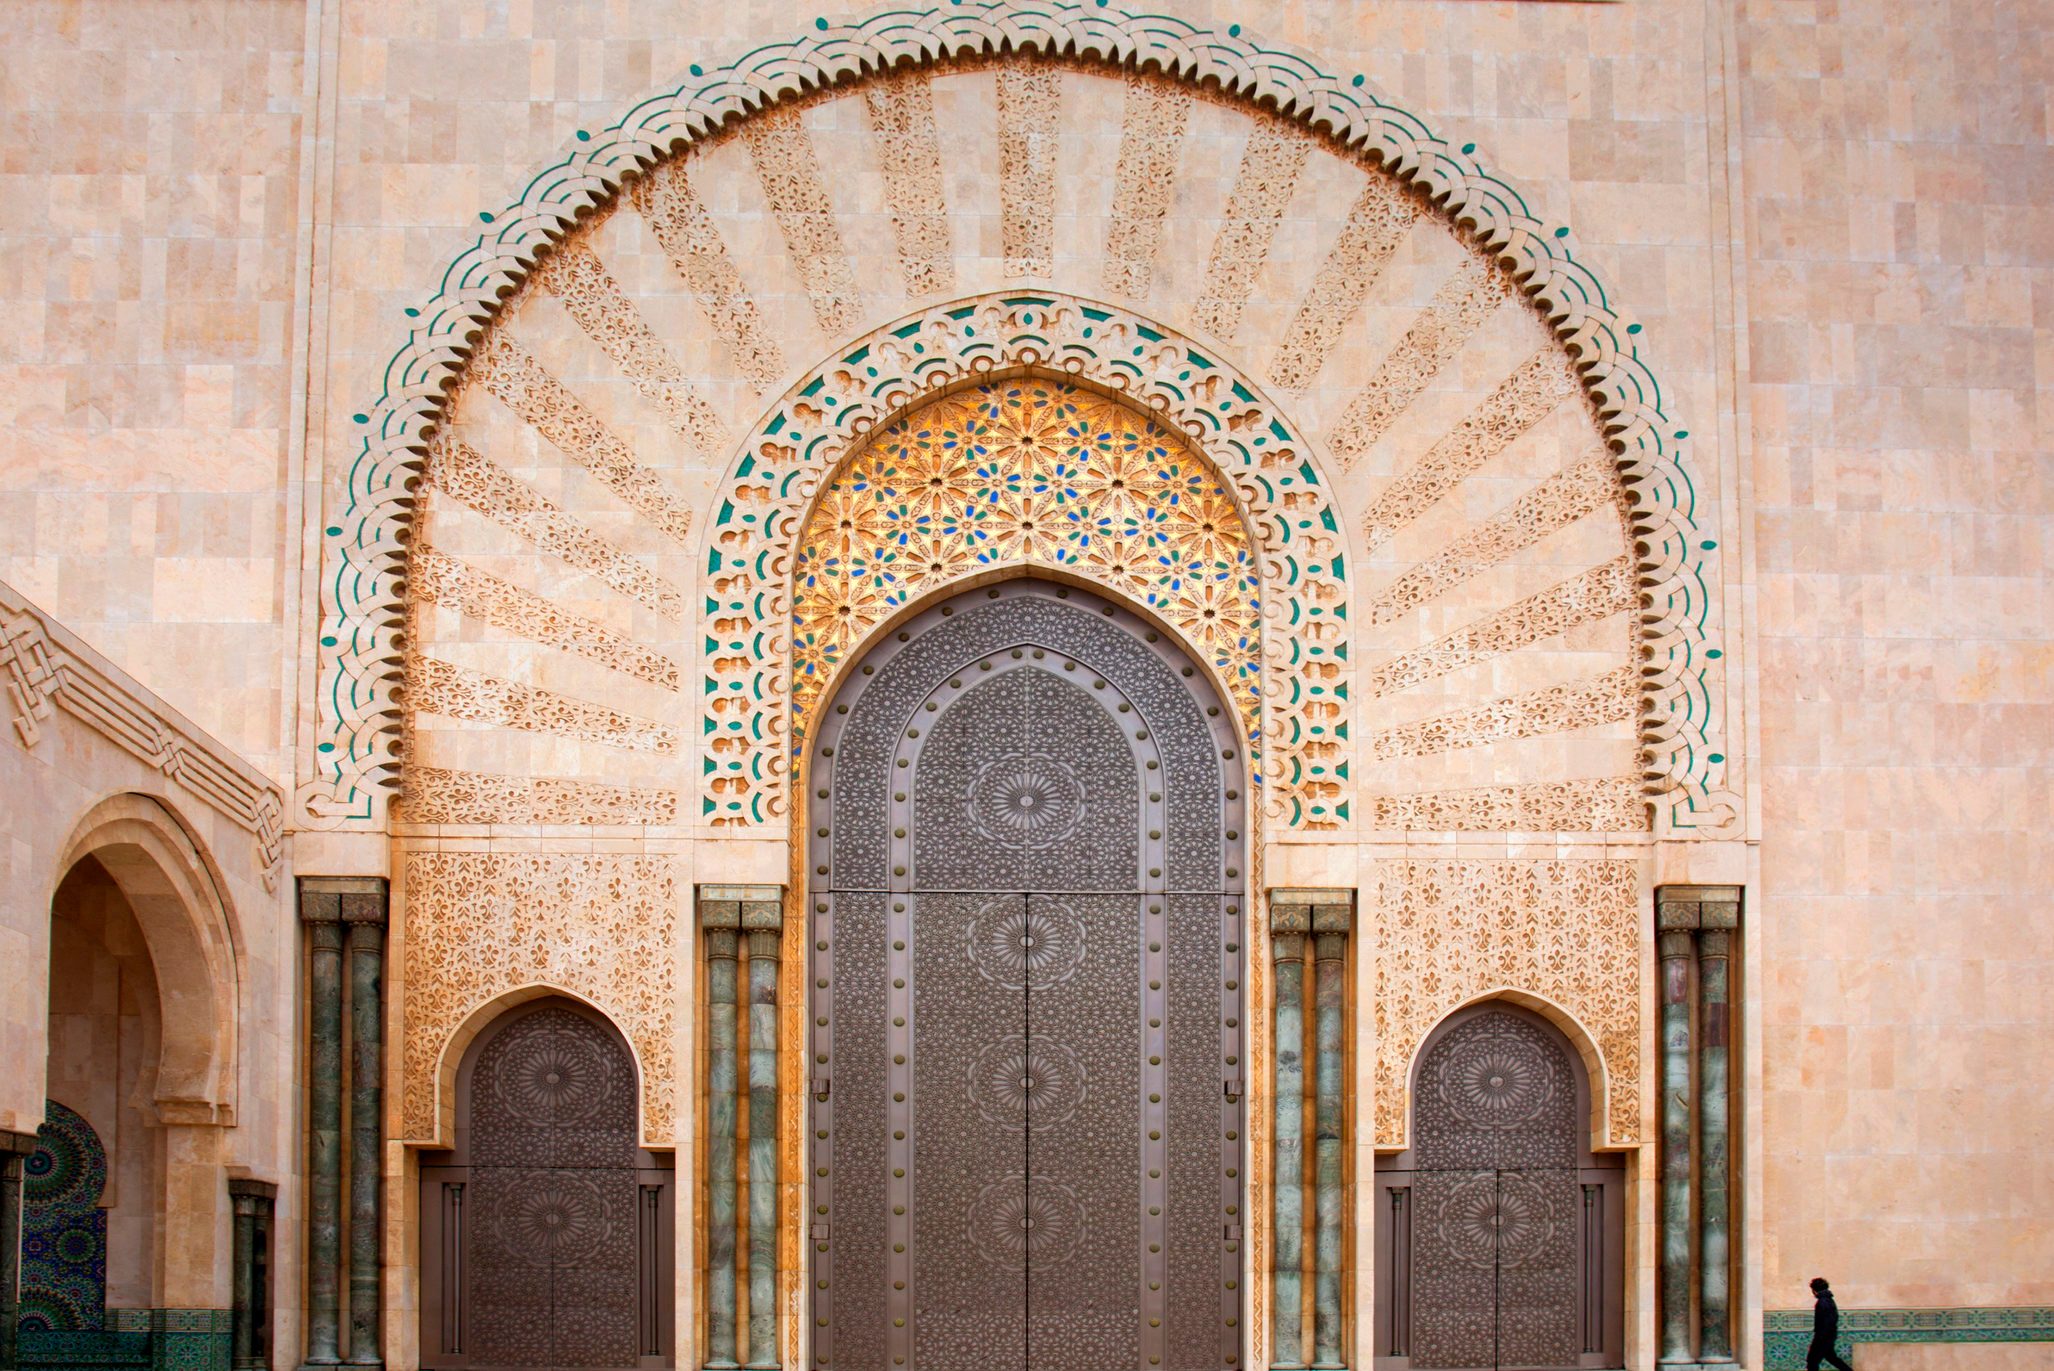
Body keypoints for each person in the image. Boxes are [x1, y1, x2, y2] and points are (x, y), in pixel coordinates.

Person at [1807, 1277, 1854, 1371]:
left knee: (1812, 1360)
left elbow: (1826, 1322)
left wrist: (1819, 1338)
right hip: (1829, 1335)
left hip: (1823, 1337)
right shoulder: (1829, 1300)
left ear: (1814, 1290)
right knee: (1831, 1358)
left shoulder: (1822, 1302)